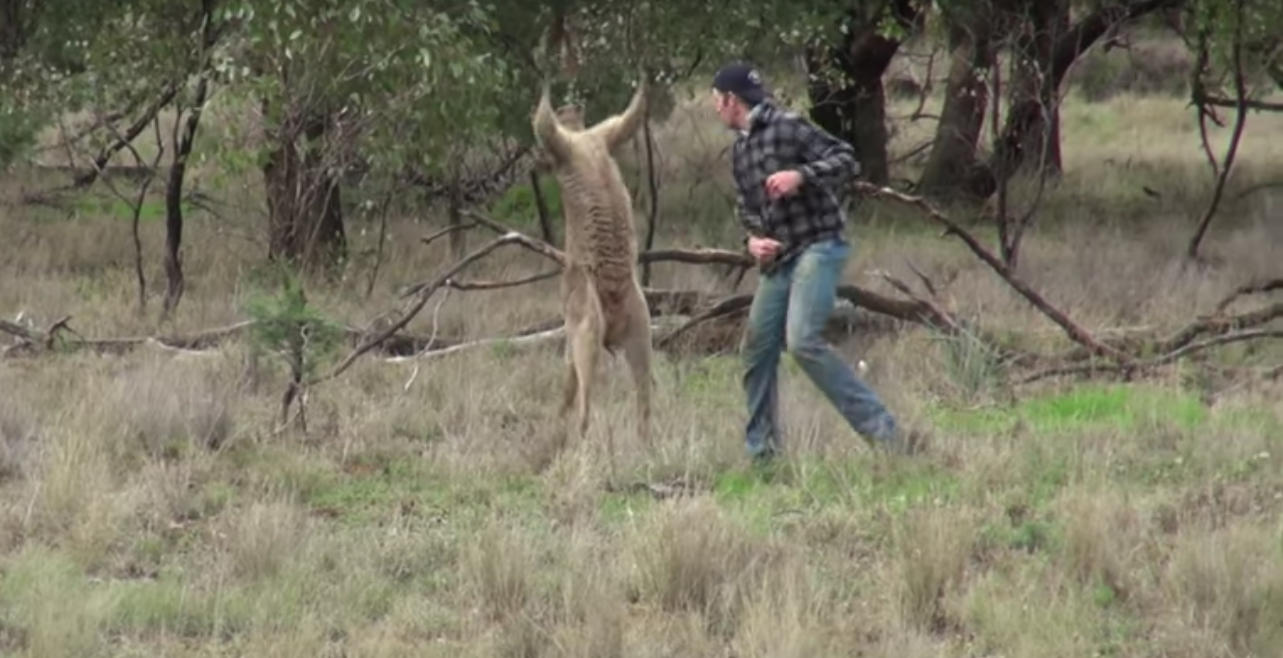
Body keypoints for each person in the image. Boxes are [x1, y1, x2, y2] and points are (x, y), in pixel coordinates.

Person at [709, 61, 919, 465]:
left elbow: (847, 159)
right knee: (756, 349)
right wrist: (753, 242)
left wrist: (801, 175)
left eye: (717, 100)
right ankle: (763, 455)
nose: (715, 108)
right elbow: (746, 210)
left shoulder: (788, 126)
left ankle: (887, 437)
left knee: (803, 340)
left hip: (819, 246)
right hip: (780, 260)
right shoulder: (740, 150)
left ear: (731, 100)